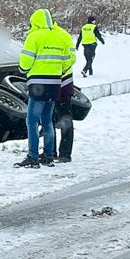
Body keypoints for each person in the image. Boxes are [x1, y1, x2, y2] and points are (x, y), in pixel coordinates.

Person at [14, 9, 72, 168]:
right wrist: (57, 71)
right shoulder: (59, 36)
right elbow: (68, 60)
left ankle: (32, 156)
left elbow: (26, 61)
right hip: (54, 84)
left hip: (38, 84)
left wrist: (23, 70)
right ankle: (48, 155)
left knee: (31, 121)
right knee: (47, 121)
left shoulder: (34, 36)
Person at [53, 34, 78, 163]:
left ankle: (50, 152)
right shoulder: (64, 35)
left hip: (47, 85)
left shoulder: (36, 36)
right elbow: (72, 57)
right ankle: (64, 154)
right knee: (65, 118)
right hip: (64, 84)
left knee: (49, 120)